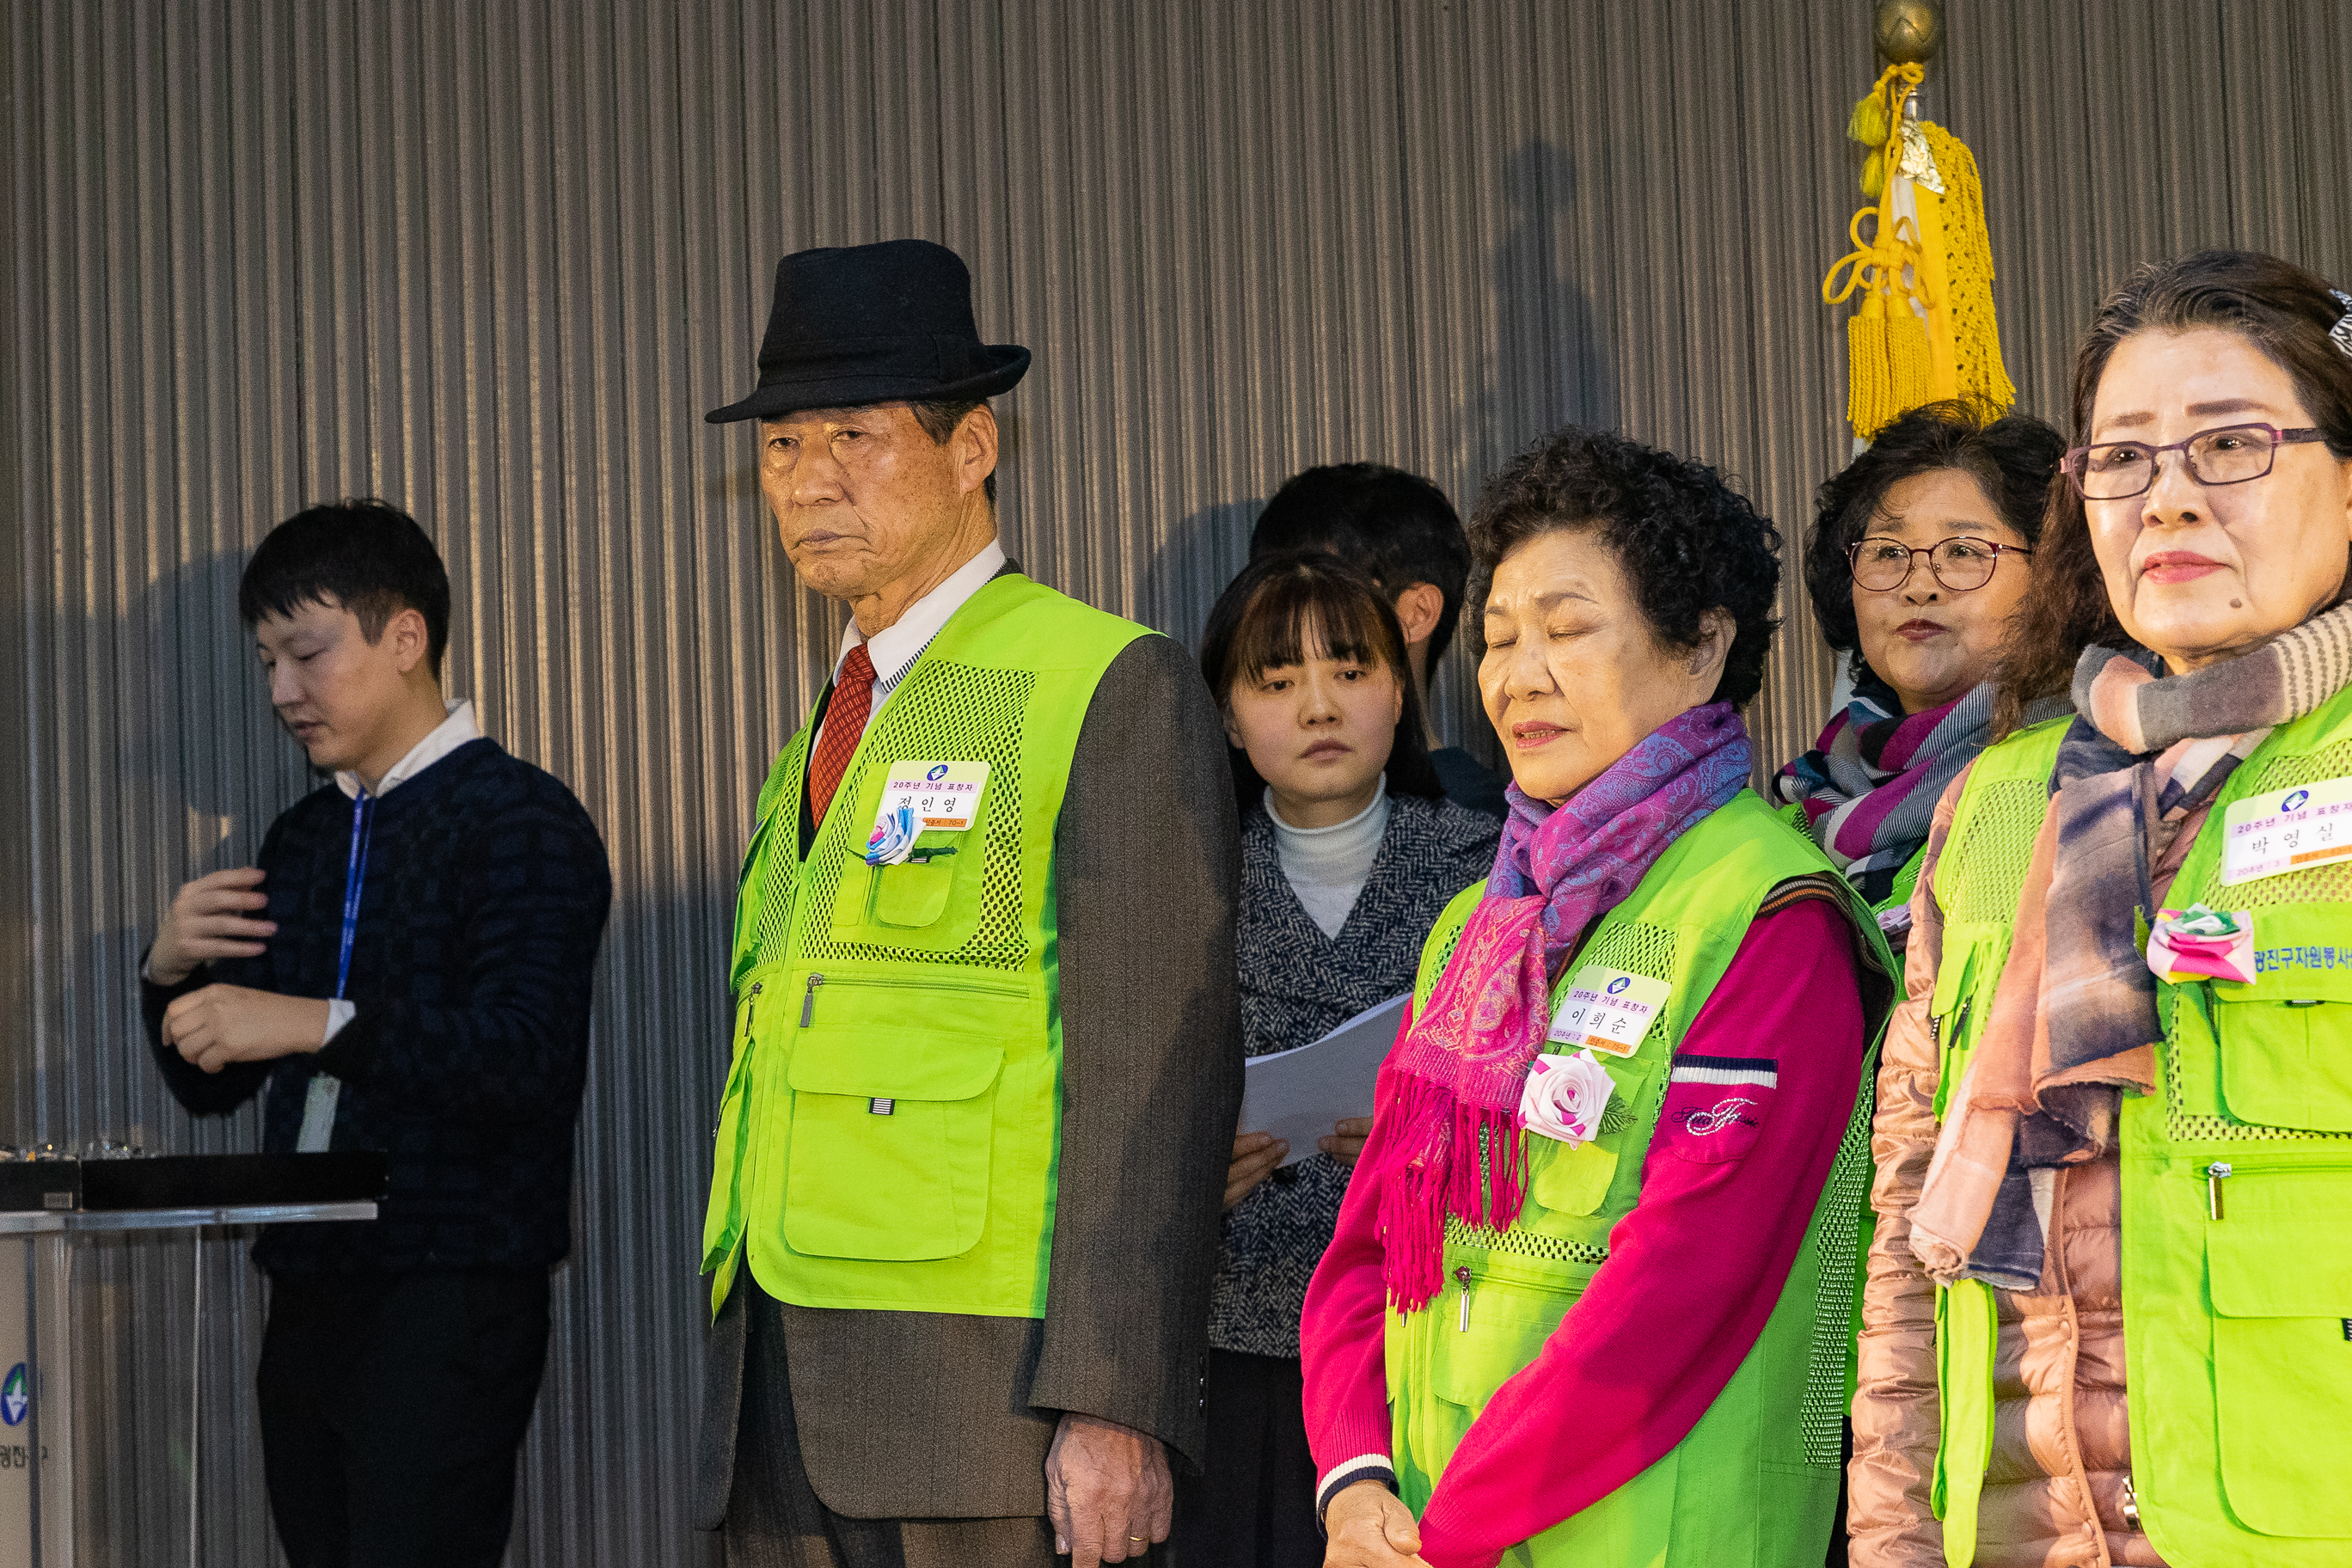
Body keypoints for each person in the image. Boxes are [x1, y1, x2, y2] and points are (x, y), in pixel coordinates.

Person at [693, 238, 1243, 1568]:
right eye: (779, 447)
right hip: (781, 1391)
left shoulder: (1102, 680)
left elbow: (1152, 1076)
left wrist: (1116, 1404)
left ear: (973, 446)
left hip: (986, 1410)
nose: (808, 479)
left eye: (855, 435)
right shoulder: (832, 722)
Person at [1300, 427, 1894, 1568]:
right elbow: (1369, 1243)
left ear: (1703, 645)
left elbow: (1687, 1285)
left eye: (1569, 630)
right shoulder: (1479, 930)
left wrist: (1450, 1530)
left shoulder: (1769, 915)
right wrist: (1355, 1478)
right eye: (1501, 638)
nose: (1521, 675)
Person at [1849, 248, 2352, 1568]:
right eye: (2123, 458)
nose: (2169, 500)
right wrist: (1895, 1542)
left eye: (2232, 445)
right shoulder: (1999, 799)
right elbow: (1904, 1230)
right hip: (2015, 1531)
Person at [141, 499, 612, 1568]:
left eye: (306, 654)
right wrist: (165, 974)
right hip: (308, 1293)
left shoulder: (521, 819)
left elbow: (523, 1059)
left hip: (449, 1292)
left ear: (406, 638)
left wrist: (314, 1022)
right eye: (266, 663)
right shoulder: (299, 838)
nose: (281, 694)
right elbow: (214, 1082)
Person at [1177, 553, 1498, 1566]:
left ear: (1402, 690)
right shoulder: (1179, 881)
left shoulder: (1498, 866)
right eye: (1276, 683)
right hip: (1234, 1338)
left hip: (1436, 1336)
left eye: (1350, 672)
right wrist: (1185, 1185)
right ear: (1228, 718)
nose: (1319, 706)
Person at [1776, 401, 2066, 943]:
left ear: (2053, 576)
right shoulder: (1804, 802)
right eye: (1887, 552)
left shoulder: (2081, 773)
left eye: (1962, 550)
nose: (1918, 584)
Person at [1252, 463, 1510, 819]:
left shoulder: (1497, 833)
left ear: (1416, 614)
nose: (1292, 626)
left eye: (1328, 594)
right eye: (1278, 602)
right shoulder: (1232, 830)